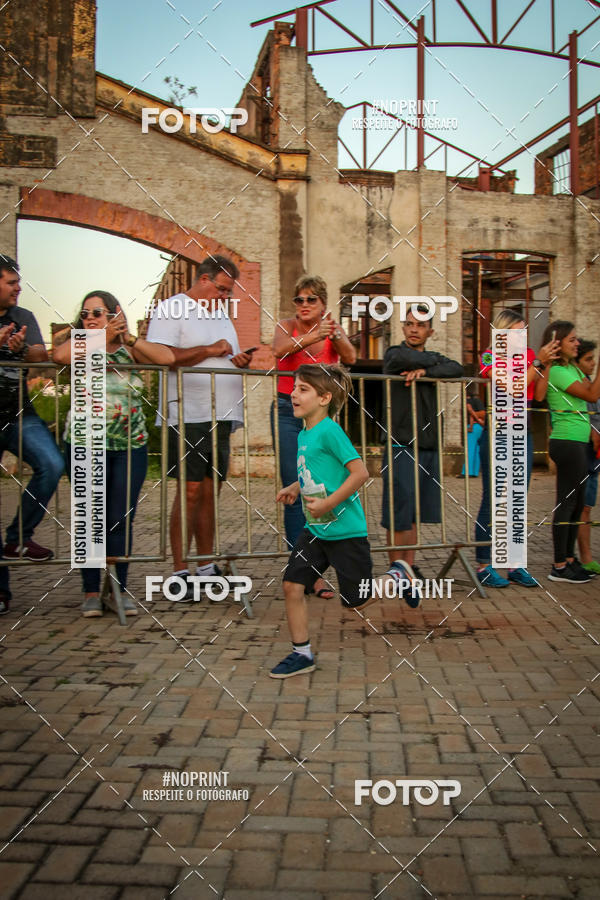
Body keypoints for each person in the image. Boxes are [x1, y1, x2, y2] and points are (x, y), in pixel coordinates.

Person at [270, 363, 405, 679]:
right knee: (292, 585)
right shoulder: (305, 432)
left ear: (324, 398)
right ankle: (301, 654)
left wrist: (329, 502)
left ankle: (398, 577)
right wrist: (294, 487)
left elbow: (360, 473)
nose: (293, 394)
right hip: (316, 530)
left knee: (356, 602)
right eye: (294, 388)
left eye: (303, 389)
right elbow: (316, 474)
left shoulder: (330, 431)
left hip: (345, 531)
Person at [54, 291, 174, 617]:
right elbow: (59, 356)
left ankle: (117, 590)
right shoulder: (80, 343)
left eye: (98, 312)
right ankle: (92, 591)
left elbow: (166, 359)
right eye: (86, 313)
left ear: (114, 314)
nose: (90, 317)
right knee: (89, 519)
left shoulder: (129, 350)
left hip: (129, 446)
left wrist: (127, 337)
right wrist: (99, 336)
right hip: (84, 443)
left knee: (121, 518)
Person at [146, 255, 253, 600]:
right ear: (204, 279)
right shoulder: (171, 309)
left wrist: (240, 358)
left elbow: (227, 354)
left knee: (210, 491)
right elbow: (163, 356)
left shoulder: (221, 314)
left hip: (221, 413)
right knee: (189, 491)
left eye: (228, 292)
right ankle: (180, 571)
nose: (224, 297)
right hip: (188, 413)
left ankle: (206, 567)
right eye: (221, 289)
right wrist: (210, 349)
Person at [271, 275, 356, 599]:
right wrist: (309, 336)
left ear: (323, 304)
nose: (304, 305)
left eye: (311, 300)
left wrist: (336, 335)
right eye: (299, 300)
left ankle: (316, 571)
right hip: (288, 411)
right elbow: (278, 351)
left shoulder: (330, 329)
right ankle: (304, 571)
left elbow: (350, 358)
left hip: (323, 419)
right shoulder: (287, 326)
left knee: (321, 488)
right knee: (296, 487)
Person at [475, 309, 559, 588]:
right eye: (516, 332)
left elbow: (541, 393)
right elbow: (513, 386)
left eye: (523, 332)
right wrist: (538, 364)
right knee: (494, 498)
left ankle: (515, 565)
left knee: (517, 501)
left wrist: (545, 365)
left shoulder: (531, 358)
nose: (522, 337)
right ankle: (484, 564)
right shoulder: (488, 357)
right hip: (498, 433)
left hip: (522, 433)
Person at [0, 256, 65, 614]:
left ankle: (19, 538)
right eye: (11, 282)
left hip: (19, 415)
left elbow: (42, 358)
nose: (18, 288)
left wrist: (21, 349)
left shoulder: (21, 318)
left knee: (53, 464)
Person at [381, 304, 463, 587]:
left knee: (415, 511)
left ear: (430, 331)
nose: (414, 329)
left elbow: (457, 368)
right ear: (403, 328)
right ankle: (395, 569)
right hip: (400, 441)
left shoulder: (432, 361)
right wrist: (429, 365)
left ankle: (410, 568)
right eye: (409, 324)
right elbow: (400, 358)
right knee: (398, 510)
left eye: (420, 325)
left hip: (427, 442)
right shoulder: (394, 353)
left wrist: (423, 369)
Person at [541, 321, 600, 583]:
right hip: (566, 441)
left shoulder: (570, 368)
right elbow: (591, 394)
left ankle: (570, 558)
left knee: (576, 504)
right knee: (566, 503)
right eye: (572, 340)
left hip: (578, 441)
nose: (577, 343)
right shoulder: (556, 371)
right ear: (558, 343)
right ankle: (559, 565)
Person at [575, 341, 600, 575]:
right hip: (583, 451)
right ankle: (580, 556)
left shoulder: (590, 384)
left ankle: (586, 556)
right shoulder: (579, 387)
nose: (592, 364)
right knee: (581, 507)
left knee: (587, 506)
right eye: (588, 359)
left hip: (595, 455)